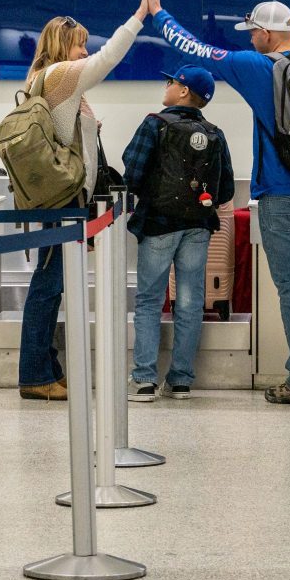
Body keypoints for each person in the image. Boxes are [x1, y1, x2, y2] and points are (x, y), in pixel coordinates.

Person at [142, 0, 290, 407]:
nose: (250, 38)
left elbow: (195, 49)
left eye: (254, 32)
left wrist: (158, 14)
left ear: (268, 33)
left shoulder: (256, 68)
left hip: (283, 197)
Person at [17, 0, 150, 401]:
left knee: (51, 283)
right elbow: (109, 57)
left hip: (66, 202)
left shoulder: (51, 80)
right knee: (47, 285)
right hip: (63, 203)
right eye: (80, 45)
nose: (84, 53)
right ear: (64, 45)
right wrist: (141, 14)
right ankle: (35, 375)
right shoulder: (59, 76)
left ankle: (46, 370)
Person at [121, 65, 235, 401]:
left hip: (158, 223)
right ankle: (181, 380)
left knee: (149, 301)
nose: (166, 85)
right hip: (198, 225)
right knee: (189, 303)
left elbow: (133, 172)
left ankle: (143, 380)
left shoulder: (155, 123)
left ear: (183, 91)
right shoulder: (215, 133)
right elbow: (225, 188)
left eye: (170, 81)